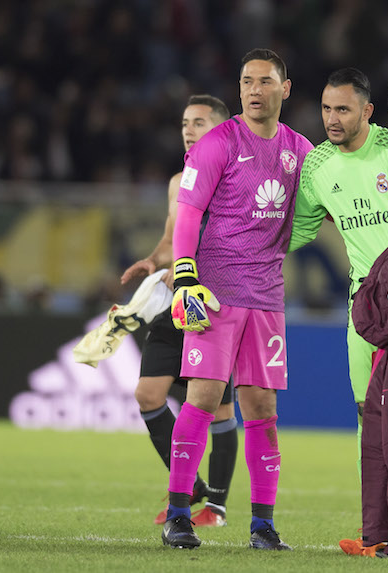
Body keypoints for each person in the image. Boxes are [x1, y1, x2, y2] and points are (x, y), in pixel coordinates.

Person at [161, 48, 313, 551]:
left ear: (284, 89)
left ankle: (263, 526)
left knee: (262, 407)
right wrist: (185, 276)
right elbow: (188, 213)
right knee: (203, 398)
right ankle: (179, 514)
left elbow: (326, 202)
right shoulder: (217, 143)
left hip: (267, 297)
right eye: (246, 81)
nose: (253, 90)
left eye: (265, 81)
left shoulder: (300, 150)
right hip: (216, 294)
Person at [288, 68, 388, 555]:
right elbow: (299, 230)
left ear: (368, 111)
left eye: (343, 109)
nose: (331, 118)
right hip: (362, 308)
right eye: (326, 108)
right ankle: (376, 530)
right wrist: (233, 242)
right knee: (366, 417)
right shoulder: (317, 166)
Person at [118, 95, 237, 527]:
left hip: (212, 304)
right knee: (148, 394)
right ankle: (189, 487)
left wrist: (193, 268)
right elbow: (172, 239)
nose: (189, 130)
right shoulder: (177, 181)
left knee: (219, 410)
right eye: (185, 123)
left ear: (221, 130)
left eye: (200, 123)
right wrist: (153, 261)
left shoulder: (233, 178)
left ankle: (216, 509)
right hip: (175, 304)